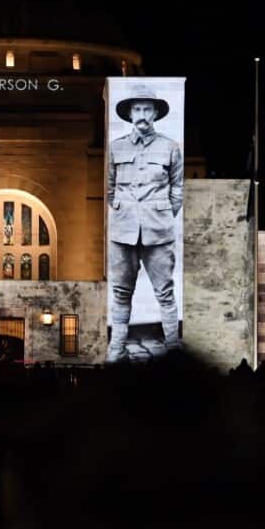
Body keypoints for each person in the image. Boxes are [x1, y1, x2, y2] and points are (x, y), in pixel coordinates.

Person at [106, 84, 184, 362]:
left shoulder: (170, 148)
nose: (142, 114)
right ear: (129, 114)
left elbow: (178, 189)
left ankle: (173, 347)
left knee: (165, 292)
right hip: (123, 232)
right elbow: (109, 188)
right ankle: (117, 348)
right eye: (137, 109)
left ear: (155, 114)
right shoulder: (115, 148)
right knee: (120, 292)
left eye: (147, 109)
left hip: (158, 232)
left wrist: (161, 213)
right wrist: (122, 210)